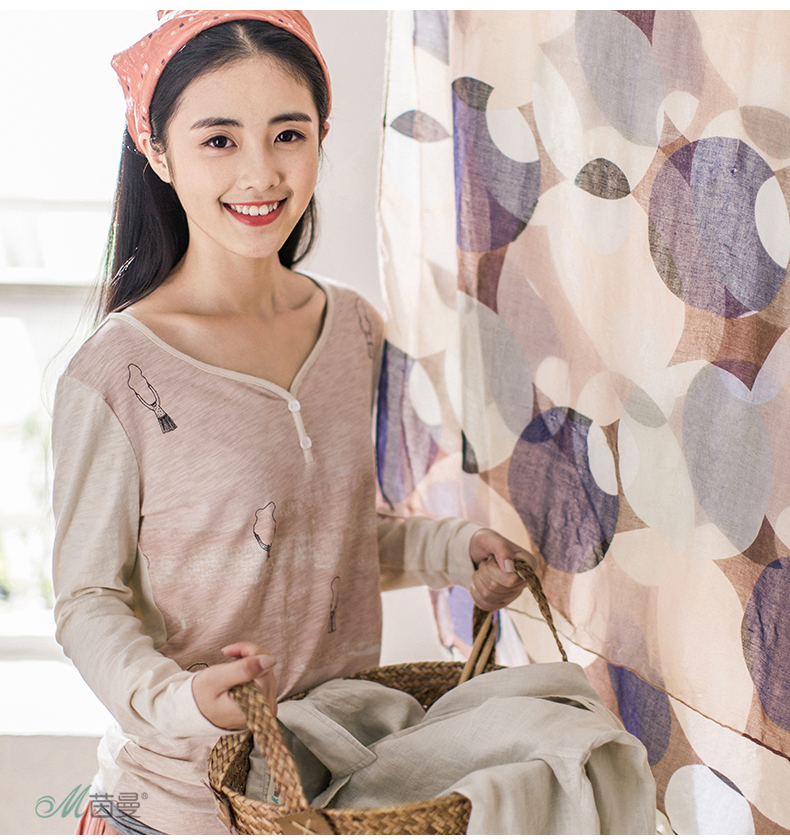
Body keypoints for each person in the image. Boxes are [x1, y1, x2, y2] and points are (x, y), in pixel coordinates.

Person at [51, 11, 532, 835]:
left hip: (332, 792)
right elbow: (86, 600)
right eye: (219, 140)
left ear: (321, 138)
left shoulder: (355, 330)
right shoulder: (116, 372)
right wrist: (179, 699)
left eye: (288, 134)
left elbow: (320, 539)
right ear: (158, 152)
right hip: (175, 809)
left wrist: (456, 553)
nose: (261, 173)